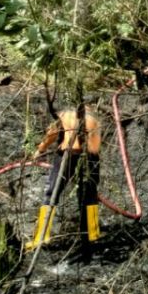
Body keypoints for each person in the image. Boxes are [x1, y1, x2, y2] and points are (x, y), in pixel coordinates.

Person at [28, 104, 102, 250]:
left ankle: (40, 238)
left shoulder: (69, 115)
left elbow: (52, 134)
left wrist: (40, 149)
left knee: (53, 194)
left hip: (72, 157)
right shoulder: (93, 119)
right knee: (88, 197)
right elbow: (95, 148)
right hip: (84, 157)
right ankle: (91, 236)